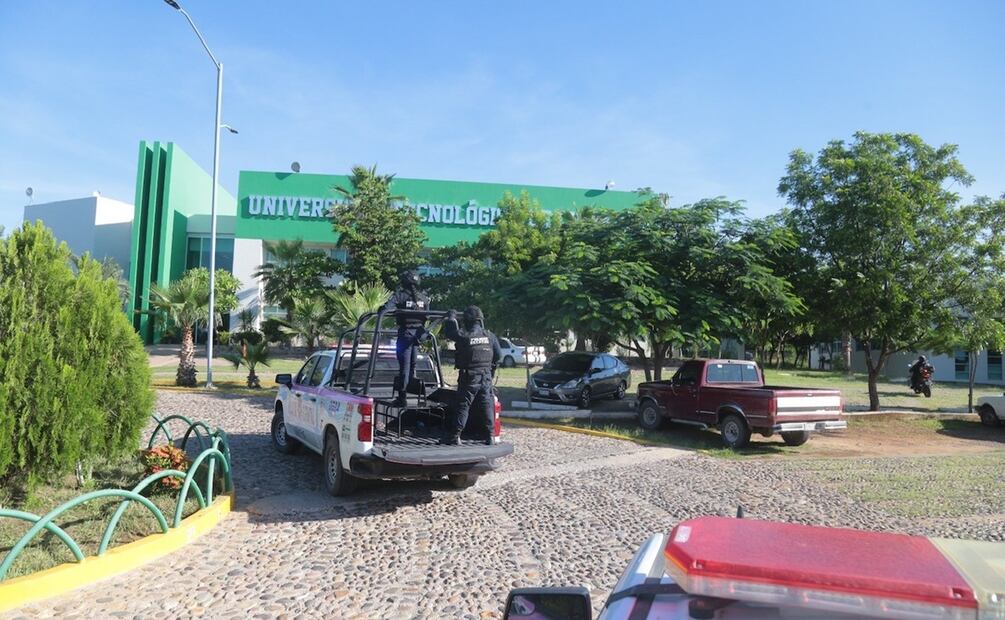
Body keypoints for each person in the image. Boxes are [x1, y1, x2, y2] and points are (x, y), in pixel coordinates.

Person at [440, 305, 502, 445]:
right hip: (485, 376)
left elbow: (450, 333)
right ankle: (490, 436)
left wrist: (451, 317)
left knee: (463, 405)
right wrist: (490, 371)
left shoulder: (464, 336)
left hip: (470, 376)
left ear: (467, 321)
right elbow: (498, 356)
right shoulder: (490, 336)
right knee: (486, 404)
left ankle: (455, 436)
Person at [383, 270, 430, 406]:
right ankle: (414, 392)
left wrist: (382, 310)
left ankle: (402, 397)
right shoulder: (424, 298)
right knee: (413, 365)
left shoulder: (400, 296)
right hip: (419, 335)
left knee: (404, 366)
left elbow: (387, 307)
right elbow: (427, 316)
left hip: (405, 335)